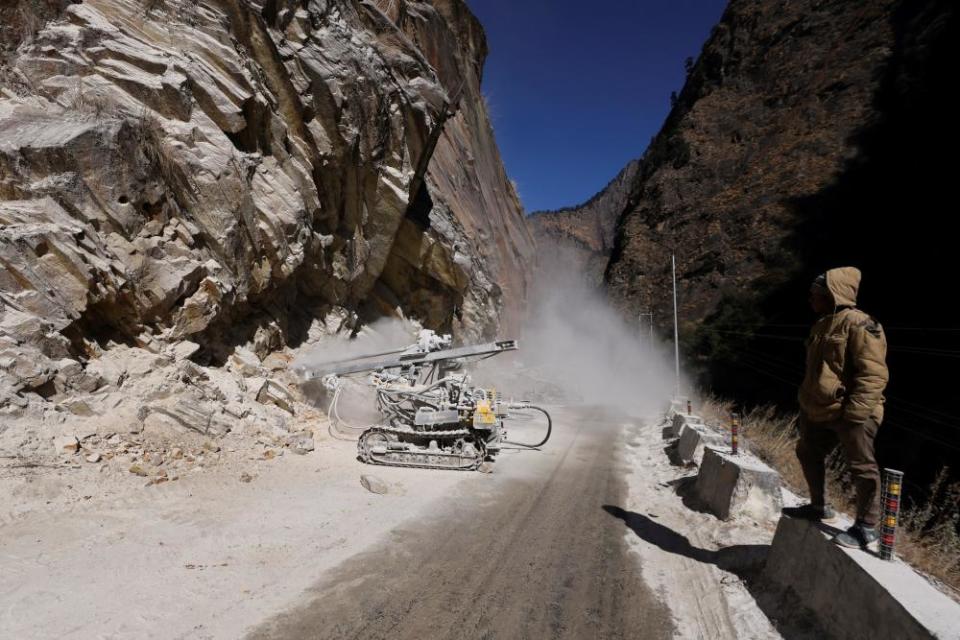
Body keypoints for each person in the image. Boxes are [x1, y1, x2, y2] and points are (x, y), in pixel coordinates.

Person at [782, 267, 889, 550]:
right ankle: (818, 506)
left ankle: (866, 527)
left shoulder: (861, 324)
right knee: (807, 451)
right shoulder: (821, 325)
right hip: (821, 410)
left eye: (815, 293)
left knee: (862, 467)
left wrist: (855, 414)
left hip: (853, 411)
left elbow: (873, 375)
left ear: (832, 294)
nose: (810, 299)